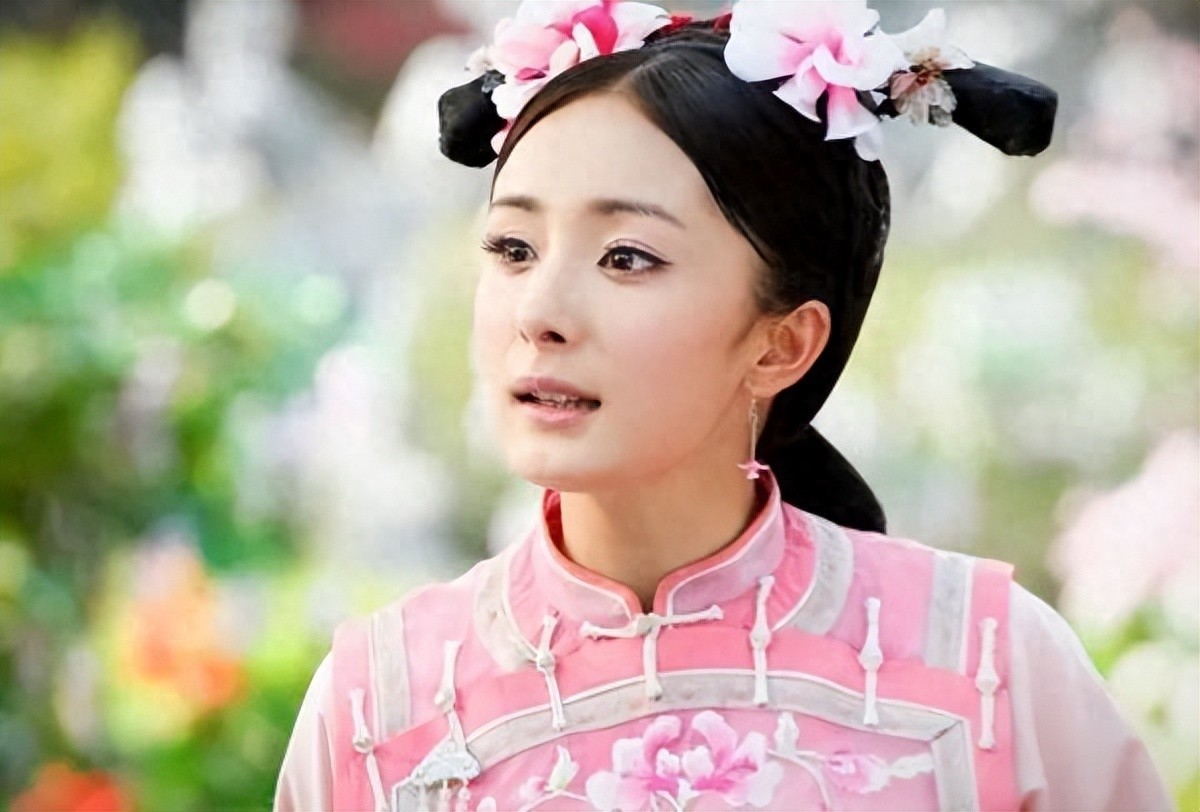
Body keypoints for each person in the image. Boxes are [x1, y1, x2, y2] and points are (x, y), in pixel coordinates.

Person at [274, 2, 1171, 810]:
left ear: (782, 344)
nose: (539, 313)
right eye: (512, 247)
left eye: (626, 257)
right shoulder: (379, 703)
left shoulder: (989, 666)